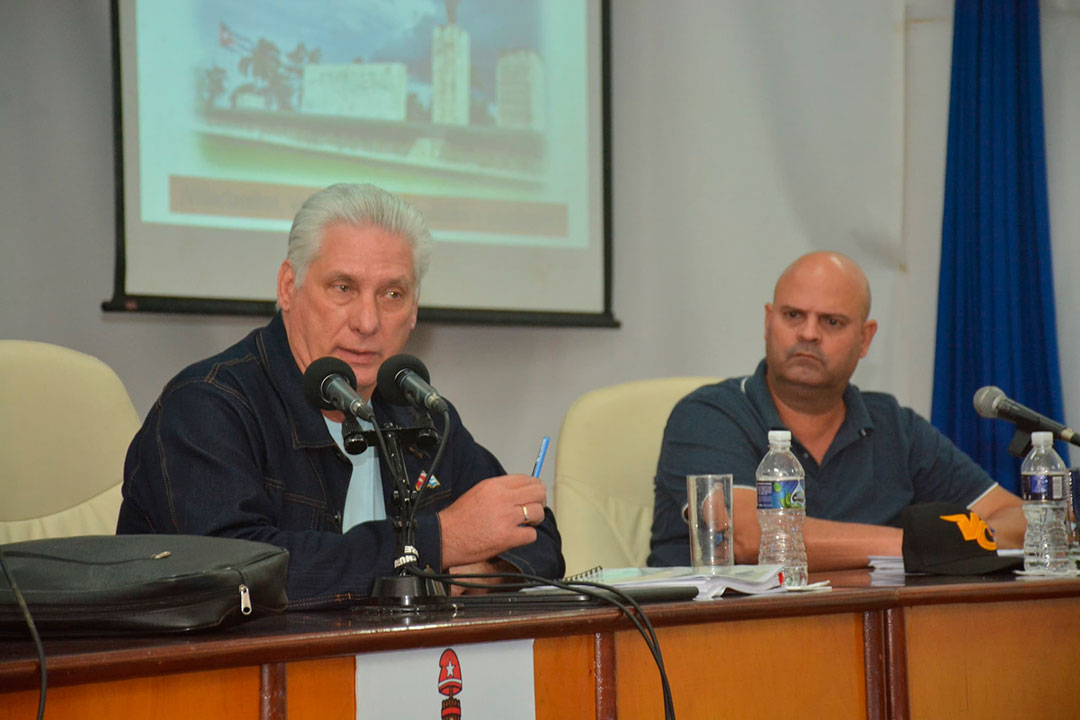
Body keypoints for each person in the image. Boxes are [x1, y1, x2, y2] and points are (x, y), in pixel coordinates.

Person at [117, 183, 563, 604]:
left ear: (414, 312)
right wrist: (439, 541)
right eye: (343, 288)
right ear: (289, 287)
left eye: (392, 294)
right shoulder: (206, 406)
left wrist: (482, 570)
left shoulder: (417, 412)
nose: (367, 322)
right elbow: (239, 572)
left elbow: (536, 535)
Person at [649, 251, 1024, 570]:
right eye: (793, 316)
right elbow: (747, 536)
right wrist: (924, 546)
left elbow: (1018, 519)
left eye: (832, 322)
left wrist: (957, 543)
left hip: (869, 638)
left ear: (865, 339)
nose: (809, 334)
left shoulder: (895, 427)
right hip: (713, 640)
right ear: (768, 322)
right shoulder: (707, 415)